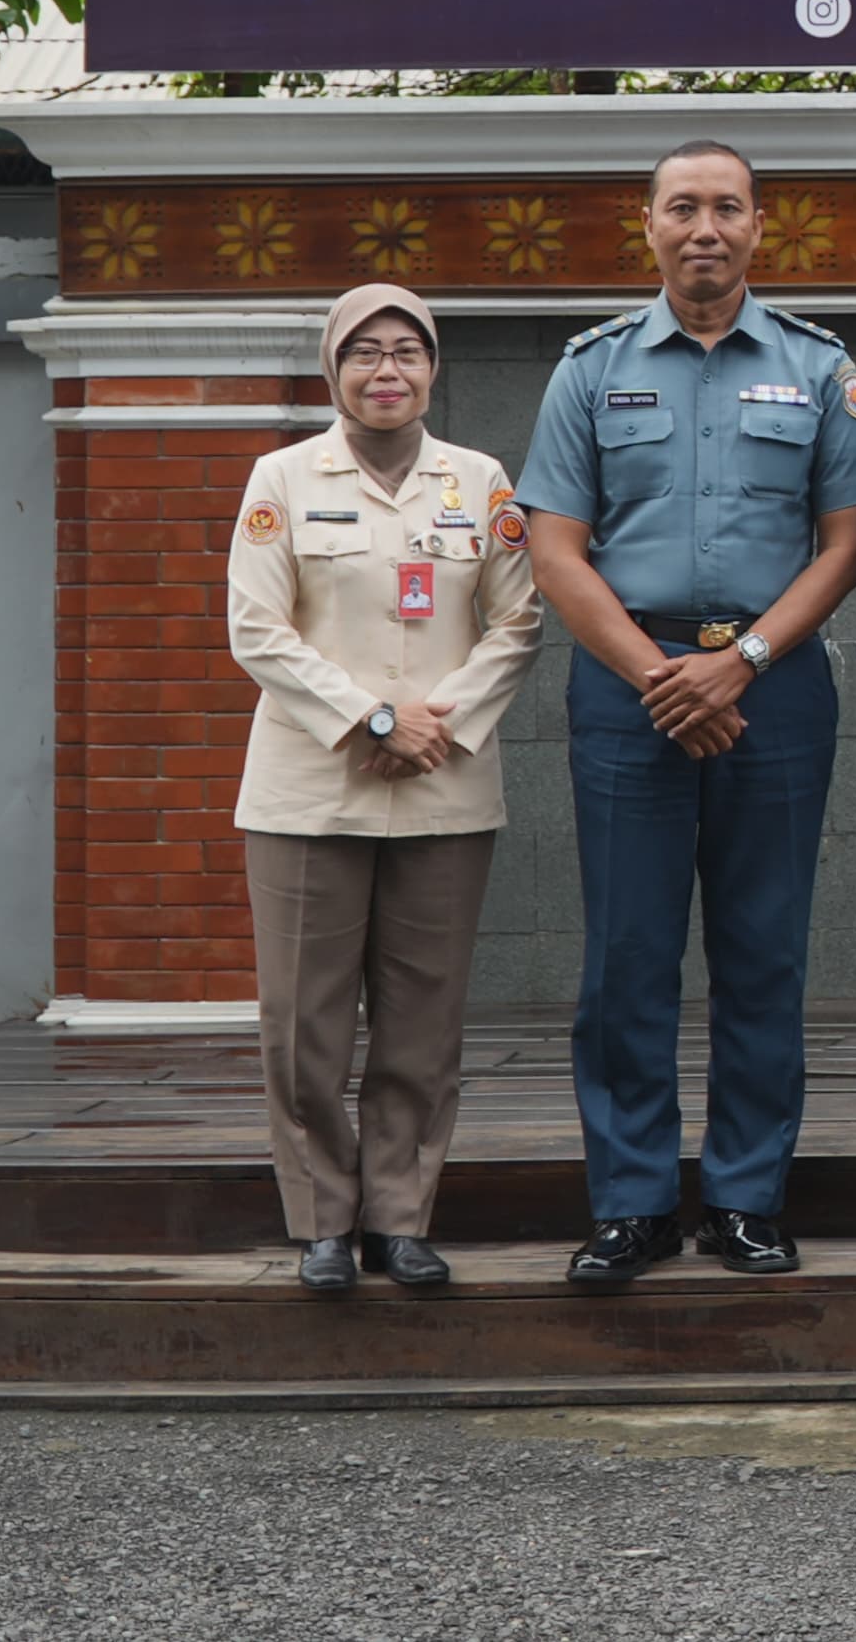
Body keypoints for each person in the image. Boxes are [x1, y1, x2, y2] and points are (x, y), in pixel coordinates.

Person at [517, 141, 856, 1289]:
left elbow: (846, 544)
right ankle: (630, 1201)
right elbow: (555, 547)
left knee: (762, 951)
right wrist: (657, 677)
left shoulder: (820, 368)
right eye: (684, 207)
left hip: (770, 688)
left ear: (759, 227)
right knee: (628, 953)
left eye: (727, 206)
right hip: (632, 691)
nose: (705, 227)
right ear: (649, 225)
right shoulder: (592, 367)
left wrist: (743, 663)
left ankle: (743, 1196)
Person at [222, 283, 540, 1292]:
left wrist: (432, 720)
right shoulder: (280, 477)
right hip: (310, 791)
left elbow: (517, 621)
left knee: (422, 1019)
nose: (387, 370)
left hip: (443, 786)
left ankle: (401, 1218)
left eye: (407, 351)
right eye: (364, 353)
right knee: (304, 1023)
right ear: (333, 370)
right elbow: (257, 629)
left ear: (433, 369)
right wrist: (370, 717)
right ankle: (323, 1219)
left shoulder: (479, 480)